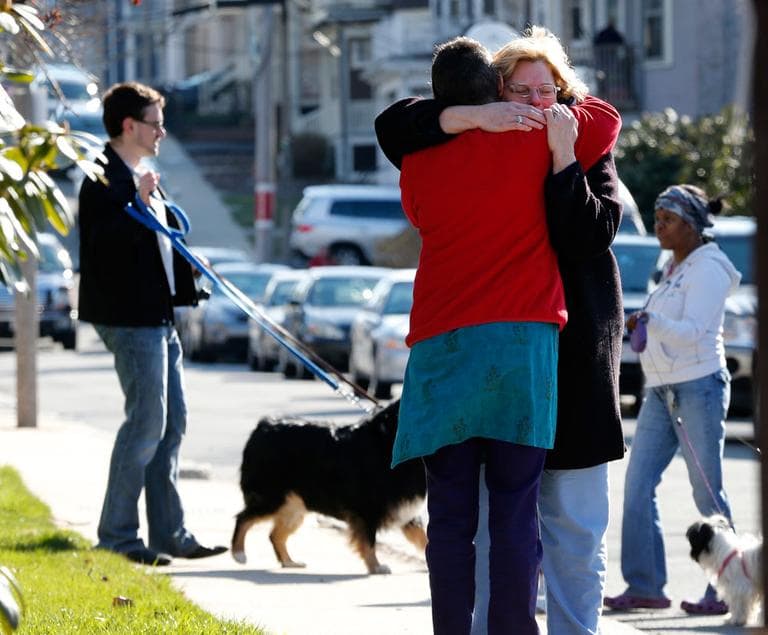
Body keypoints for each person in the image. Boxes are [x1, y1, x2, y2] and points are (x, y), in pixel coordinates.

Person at [375, 26, 625, 635]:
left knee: (459, 520)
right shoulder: (532, 140)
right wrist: (509, 119)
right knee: (513, 517)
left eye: (550, 90)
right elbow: (606, 119)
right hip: (522, 345)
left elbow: (393, 128)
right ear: (496, 93)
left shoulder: (419, 161)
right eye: (522, 91)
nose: (539, 103)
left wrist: (473, 118)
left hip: (454, 347)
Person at [78, 82, 227, 566]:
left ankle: (170, 534)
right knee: (146, 423)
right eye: (155, 122)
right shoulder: (102, 177)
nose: (162, 131)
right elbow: (103, 247)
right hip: (128, 317)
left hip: (159, 316)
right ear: (129, 125)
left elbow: (161, 241)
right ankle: (117, 538)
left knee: (172, 423)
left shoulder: (142, 174)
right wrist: (139, 203)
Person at [604, 185, 740, 616]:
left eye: (667, 219)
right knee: (638, 485)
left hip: (699, 386)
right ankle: (645, 586)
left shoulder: (710, 268)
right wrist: (649, 322)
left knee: (707, 494)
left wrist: (650, 319)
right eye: (657, 217)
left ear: (692, 225)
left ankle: (725, 590)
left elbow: (694, 331)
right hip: (661, 390)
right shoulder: (672, 264)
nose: (658, 226)